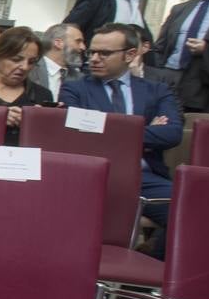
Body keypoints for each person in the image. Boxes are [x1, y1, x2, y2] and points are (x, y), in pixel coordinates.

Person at [60, 23, 182, 260]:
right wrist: (144, 131)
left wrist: (112, 132)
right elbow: (79, 136)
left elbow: (173, 133)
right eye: (92, 52)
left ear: (130, 55)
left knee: (189, 211)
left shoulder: (157, 91)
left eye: (104, 54)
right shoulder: (74, 90)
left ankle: (148, 280)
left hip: (145, 177)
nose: (94, 59)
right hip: (95, 174)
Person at [29, 22, 85, 100]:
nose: (83, 47)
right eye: (78, 41)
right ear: (58, 43)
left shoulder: (80, 79)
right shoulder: (30, 69)